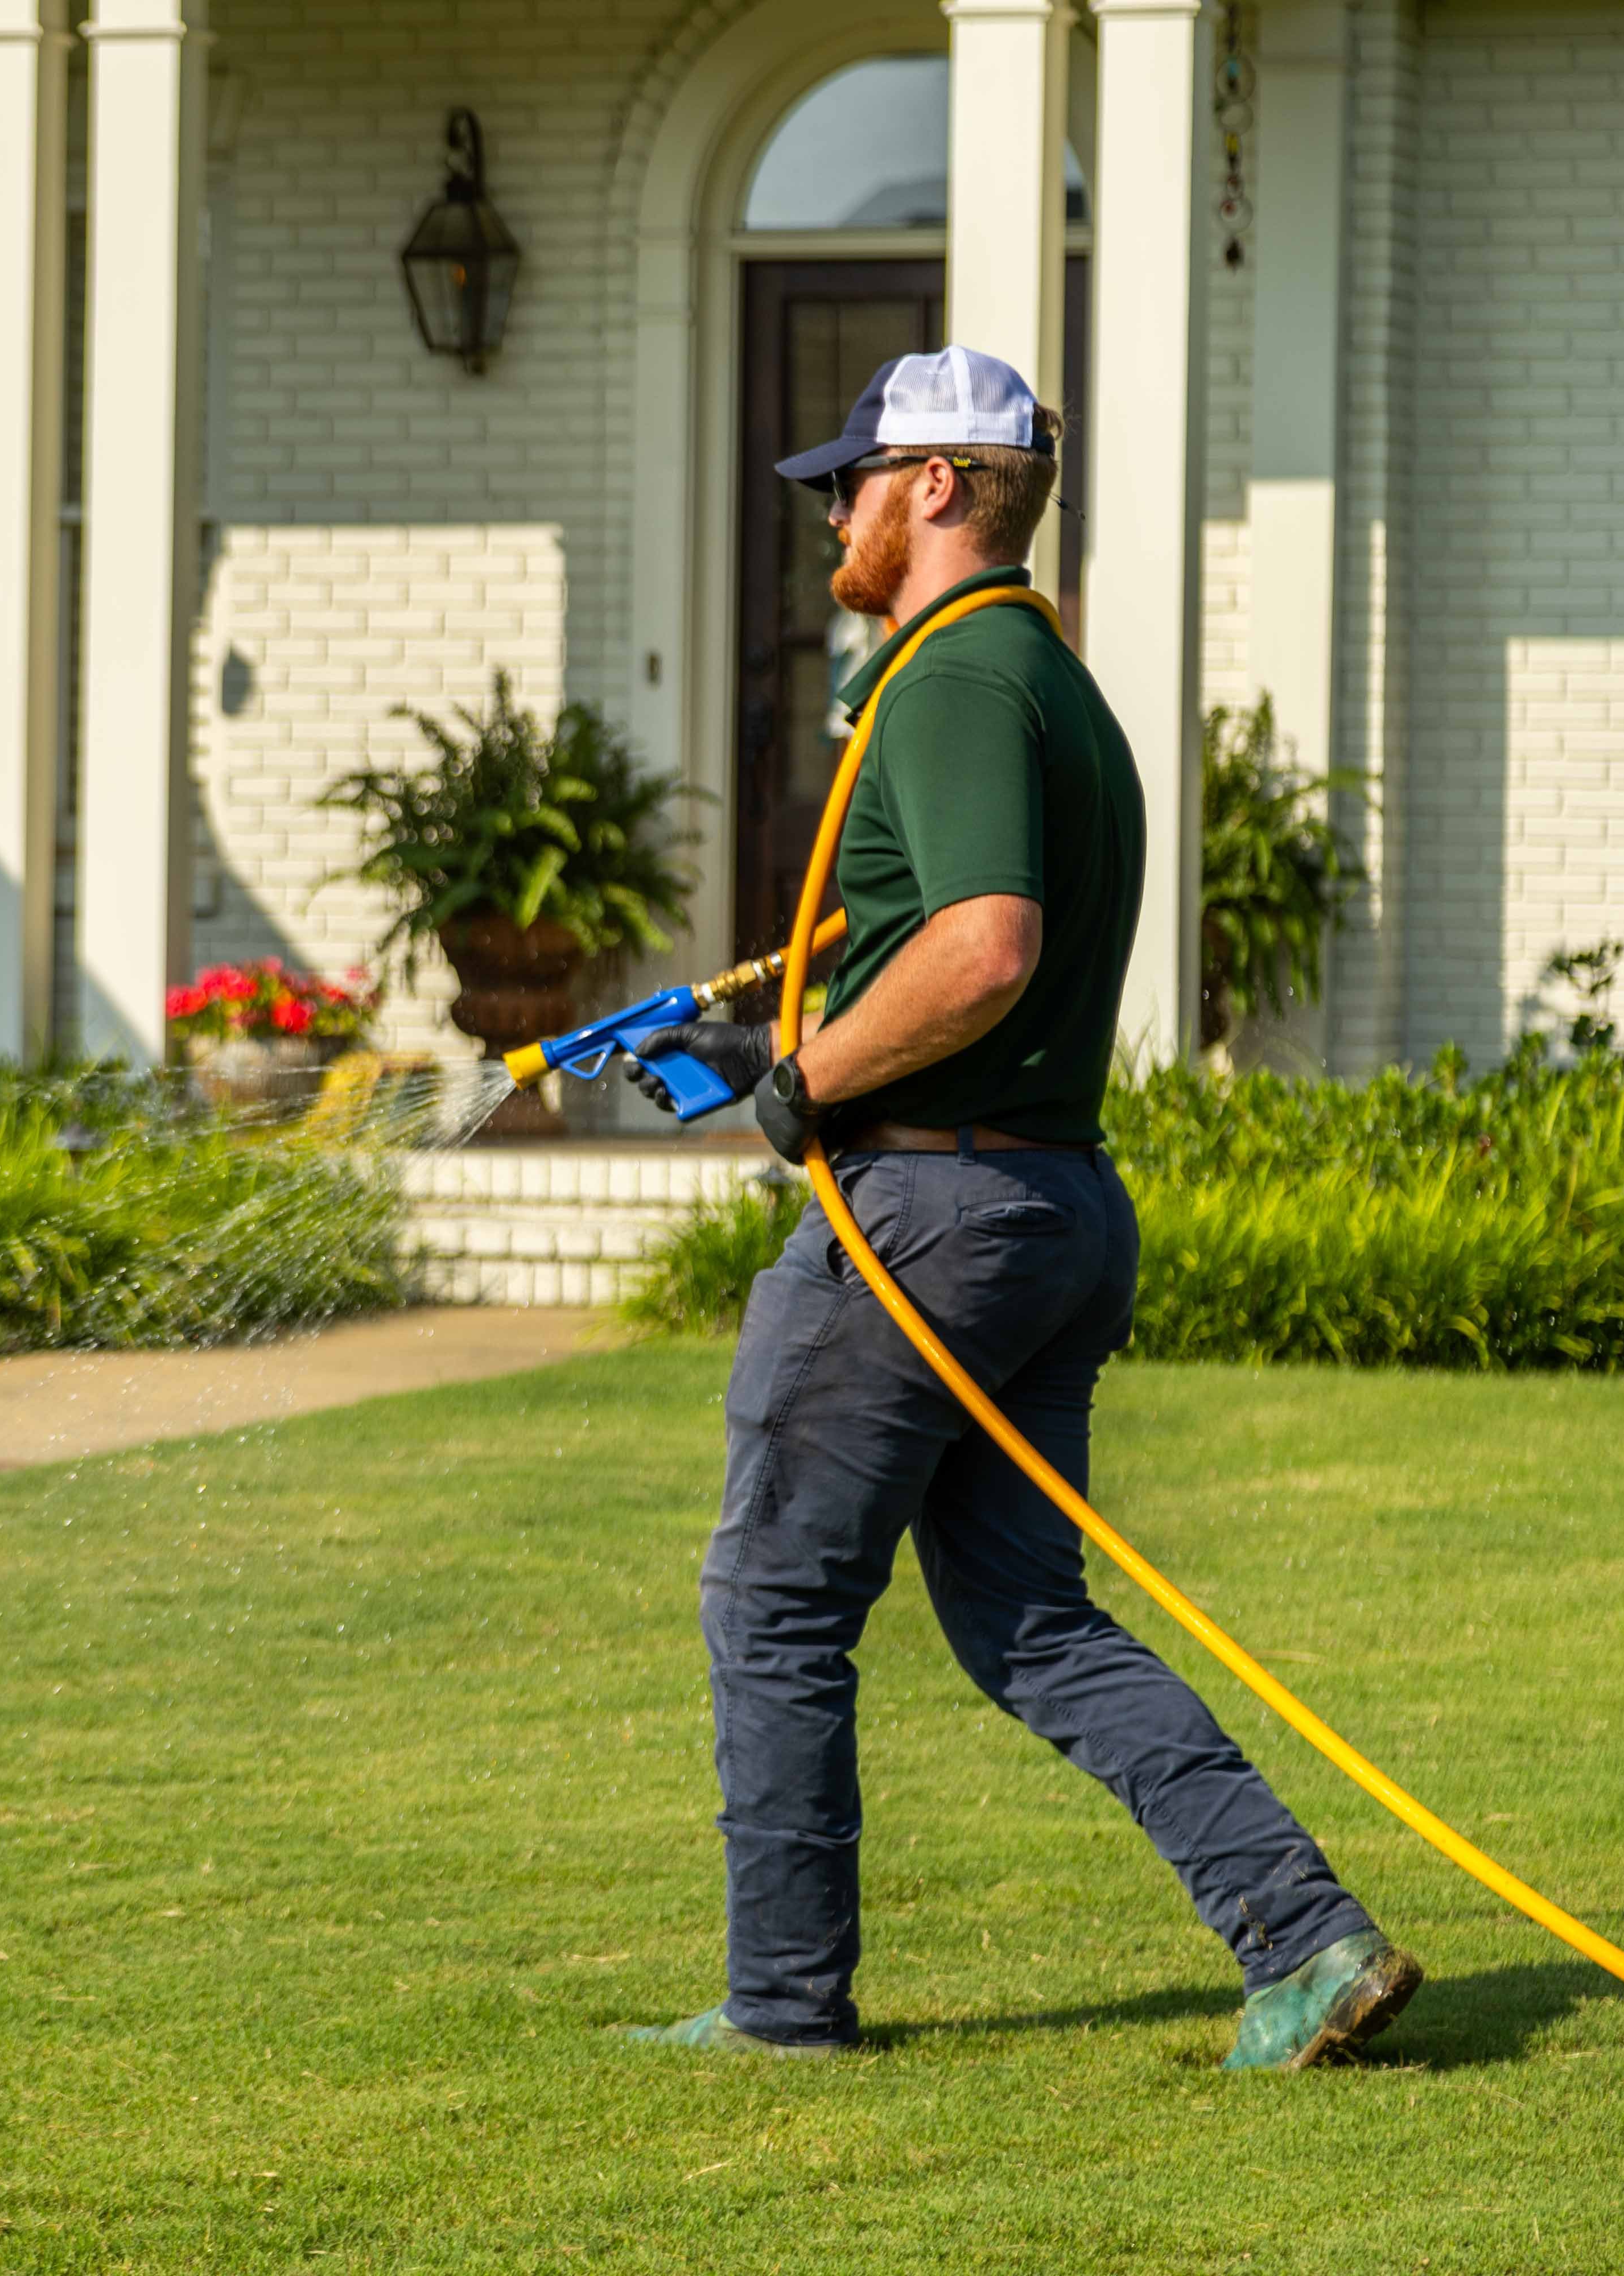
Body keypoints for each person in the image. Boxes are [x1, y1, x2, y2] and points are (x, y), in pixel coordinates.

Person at [616, 345, 1421, 2071]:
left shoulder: (960, 677)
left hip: (931, 1216)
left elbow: (987, 949)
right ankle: (1310, 1943)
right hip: (1049, 1201)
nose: (829, 508)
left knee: (772, 1597)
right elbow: (953, 948)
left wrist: (810, 1089)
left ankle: (781, 2008)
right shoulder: (1050, 683)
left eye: (852, 478)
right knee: (1030, 1620)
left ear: (933, 488)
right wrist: (768, 1042)